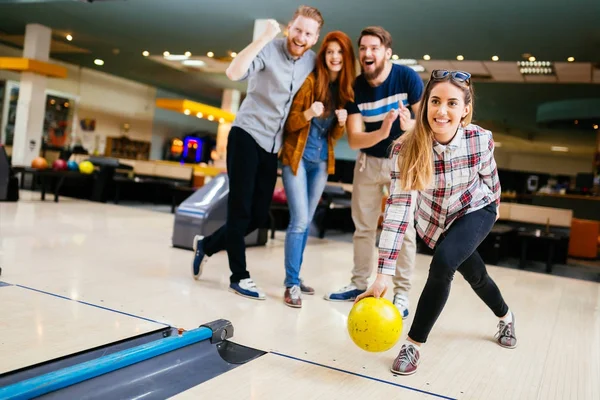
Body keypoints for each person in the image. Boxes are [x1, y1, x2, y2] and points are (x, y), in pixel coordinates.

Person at [356, 69, 517, 376]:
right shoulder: (405, 149)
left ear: (465, 109)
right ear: (425, 104)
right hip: (435, 222)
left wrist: (489, 214)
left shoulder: (480, 140)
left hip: (475, 210)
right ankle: (506, 318)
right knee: (477, 275)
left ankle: (413, 345)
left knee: (443, 262)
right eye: (435, 101)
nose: (442, 110)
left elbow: (491, 182)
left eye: (452, 103)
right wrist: (383, 275)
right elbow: (397, 211)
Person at [191, 6, 323, 300]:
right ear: (290, 27)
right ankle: (239, 277)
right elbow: (233, 71)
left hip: (272, 145)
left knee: (257, 217)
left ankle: (207, 245)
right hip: (246, 135)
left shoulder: (312, 61)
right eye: (298, 29)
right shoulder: (269, 49)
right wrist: (263, 37)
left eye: (308, 33)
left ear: (315, 38)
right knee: (239, 212)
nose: (301, 37)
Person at [324, 26, 423, 319]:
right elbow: (354, 139)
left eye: (374, 48)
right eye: (363, 48)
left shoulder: (407, 78)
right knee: (363, 228)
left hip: (403, 163)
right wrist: (381, 131)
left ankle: (401, 294)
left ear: (387, 52)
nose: (367, 53)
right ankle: (358, 285)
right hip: (368, 163)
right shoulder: (354, 87)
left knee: (403, 231)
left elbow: (426, 125)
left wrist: (409, 127)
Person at [280, 30, 356, 308]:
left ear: (346, 58)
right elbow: (290, 124)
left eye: (340, 52)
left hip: (321, 163)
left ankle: (296, 278)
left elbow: (332, 138)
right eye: (330, 52)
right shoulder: (311, 83)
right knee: (299, 221)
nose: (334, 57)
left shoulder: (344, 92)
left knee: (306, 220)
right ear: (323, 56)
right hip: (297, 158)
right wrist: (309, 113)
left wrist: (340, 123)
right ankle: (290, 284)